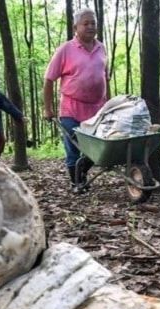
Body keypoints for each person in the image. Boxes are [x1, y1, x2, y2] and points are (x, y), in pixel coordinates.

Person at [43, 8, 109, 192]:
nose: (90, 27)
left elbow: (105, 78)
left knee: (97, 147)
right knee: (73, 146)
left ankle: (82, 173)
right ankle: (76, 183)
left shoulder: (101, 47)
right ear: (75, 27)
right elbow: (48, 79)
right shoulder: (65, 49)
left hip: (97, 109)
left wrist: (109, 104)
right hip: (71, 108)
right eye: (85, 23)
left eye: (93, 23)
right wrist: (47, 109)